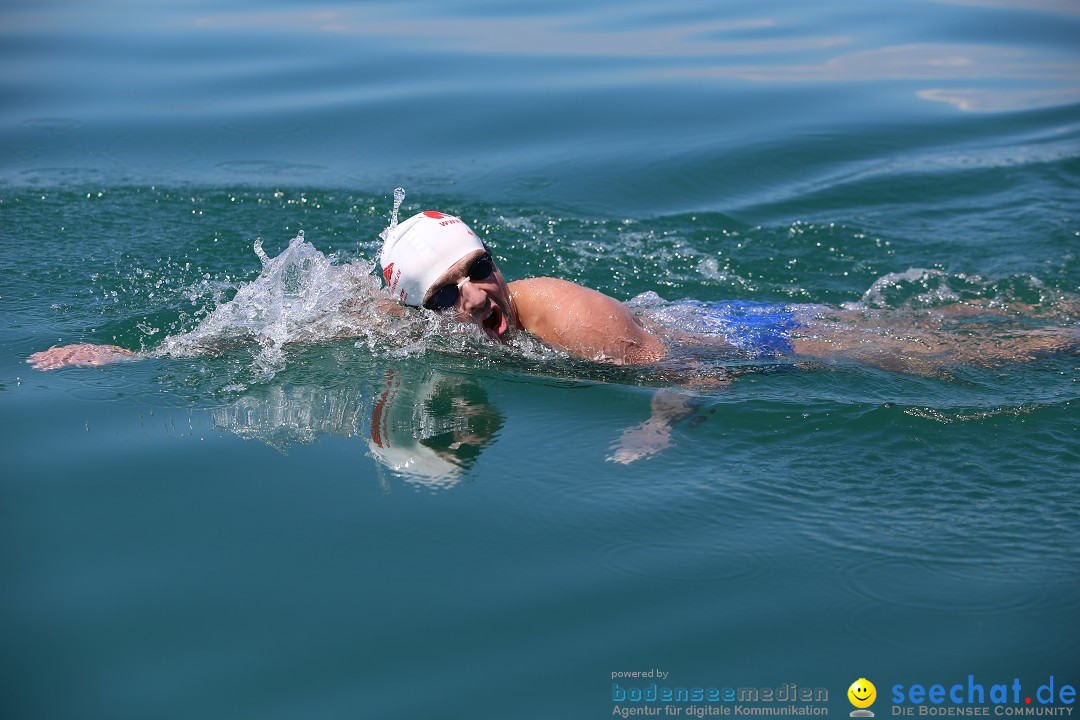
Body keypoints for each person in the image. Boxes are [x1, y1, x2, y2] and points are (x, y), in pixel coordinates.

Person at [26, 206, 1077, 373]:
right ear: (416, 309)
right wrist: (135, 357)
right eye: (453, 294)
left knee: (948, 347)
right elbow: (282, 330)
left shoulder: (563, 314)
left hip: (741, 340)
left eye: (482, 272)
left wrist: (657, 425)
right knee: (941, 324)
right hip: (690, 332)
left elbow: (690, 376)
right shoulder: (390, 311)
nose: (481, 298)